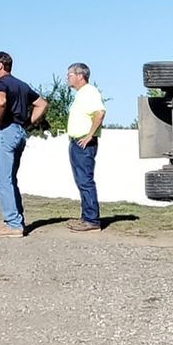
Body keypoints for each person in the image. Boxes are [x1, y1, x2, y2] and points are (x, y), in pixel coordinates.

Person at [0, 51, 47, 237]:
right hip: (20, 133)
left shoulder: (0, 83)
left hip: (5, 132)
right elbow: (42, 104)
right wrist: (28, 124)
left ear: (0, 65)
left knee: (3, 181)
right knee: (11, 179)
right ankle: (17, 219)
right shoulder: (21, 85)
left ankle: (13, 224)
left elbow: (1, 101)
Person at [64, 62, 106, 232]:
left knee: (85, 180)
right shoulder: (81, 94)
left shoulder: (90, 92)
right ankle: (86, 216)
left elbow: (100, 113)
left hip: (84, 143)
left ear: (80, 76)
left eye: (70, 75)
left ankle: (92, 220)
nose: (67, 78)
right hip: (76, 142)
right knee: (81, 180)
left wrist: (89, 135)